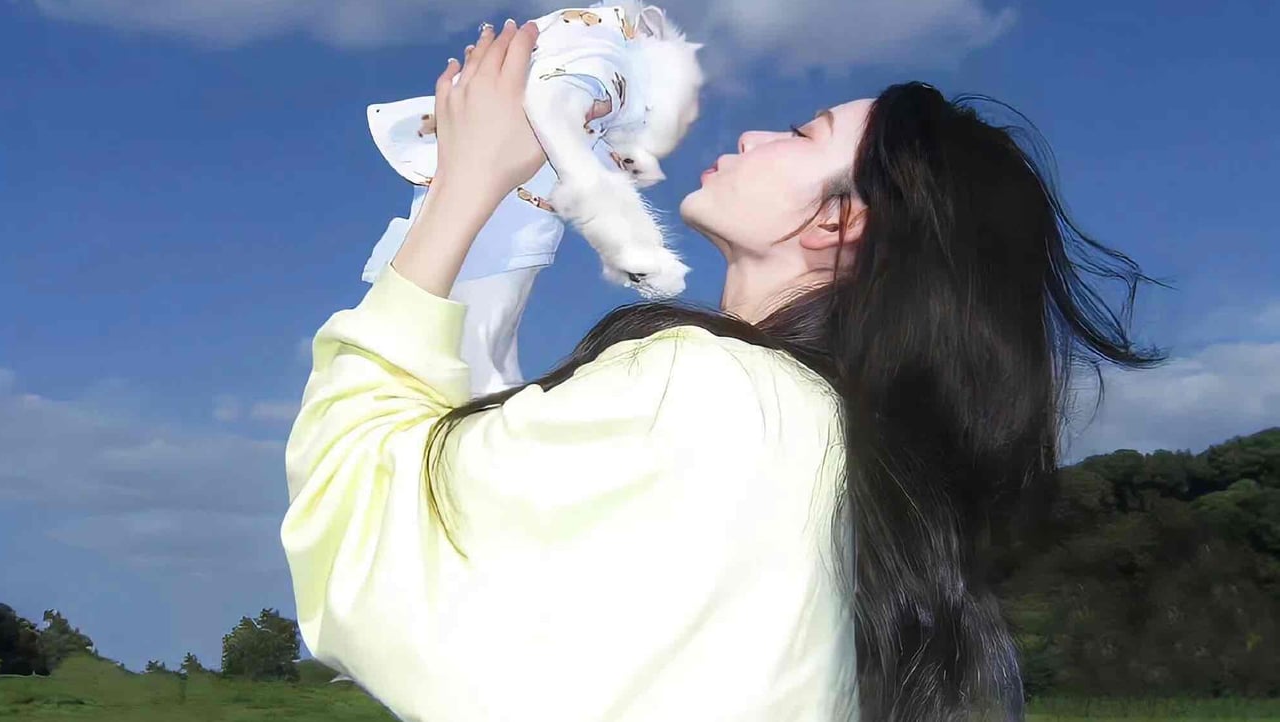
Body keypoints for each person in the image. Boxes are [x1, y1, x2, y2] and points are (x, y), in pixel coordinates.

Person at [280, 18, 1170, 722]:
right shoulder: (831, 448)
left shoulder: (713, 390)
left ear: (840, 222)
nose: (752, 132)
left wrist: (463, 188)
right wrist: (519, 201)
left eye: (802, 133)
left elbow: (367, 530)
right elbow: (477, 462)